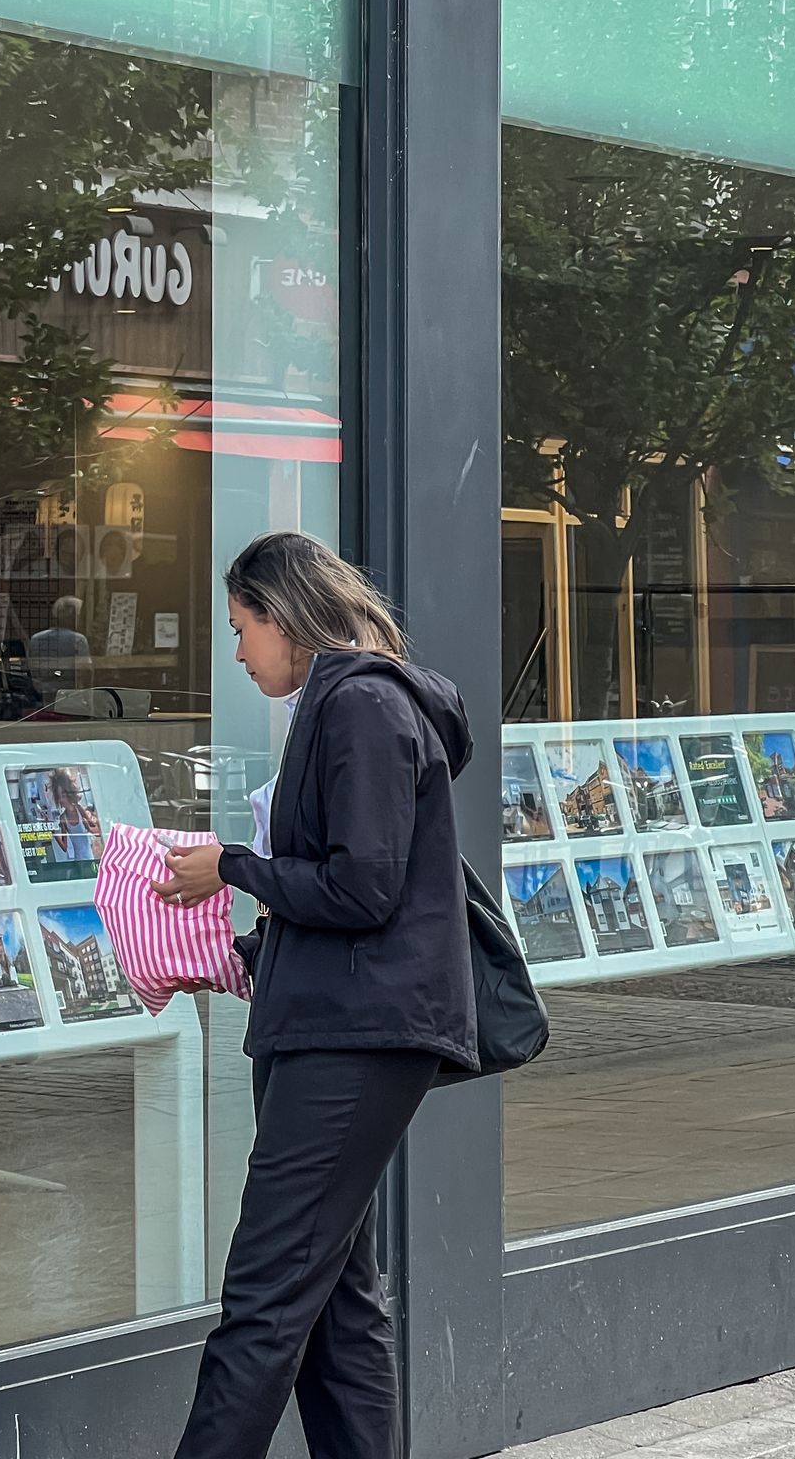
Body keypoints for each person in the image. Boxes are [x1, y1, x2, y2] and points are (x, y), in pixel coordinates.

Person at [154, 530, 478, 1459]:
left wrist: (233, 867)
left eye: (240, 627)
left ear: (284, 616)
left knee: (264, 1296)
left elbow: (362, 888)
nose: (237, 652)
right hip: (333, 1026)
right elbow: (352, 891)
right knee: (335, 1303)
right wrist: (251, 952)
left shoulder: (362, 705)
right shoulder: (344, 703)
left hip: (353, 1039)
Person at [26, 595, 93, 692]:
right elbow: (85, 672)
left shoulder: (35, 639)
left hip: (41, 692)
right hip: (69, 693)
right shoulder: (78, 640)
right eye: (79, 615)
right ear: (72, 616)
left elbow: (32, 670)